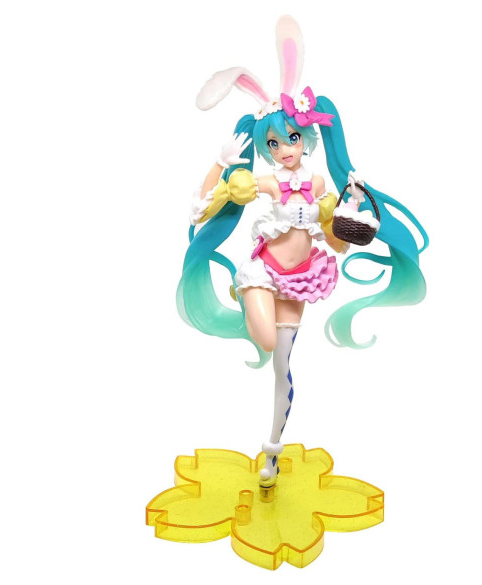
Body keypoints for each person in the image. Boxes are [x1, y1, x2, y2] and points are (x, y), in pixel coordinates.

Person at [177, 16, 428, 487]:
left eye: (291, 138)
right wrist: (219, 165)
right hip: (264, 272)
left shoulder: (320, 185)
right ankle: (248, 302)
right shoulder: (267, 182)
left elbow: (335, 242)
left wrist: (352, 219)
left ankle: (271, 453)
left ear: (306, 137)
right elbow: (200, 209)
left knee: (282, 369)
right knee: (267, 340)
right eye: (274, 143)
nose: (284, 149)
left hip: (301, 278)